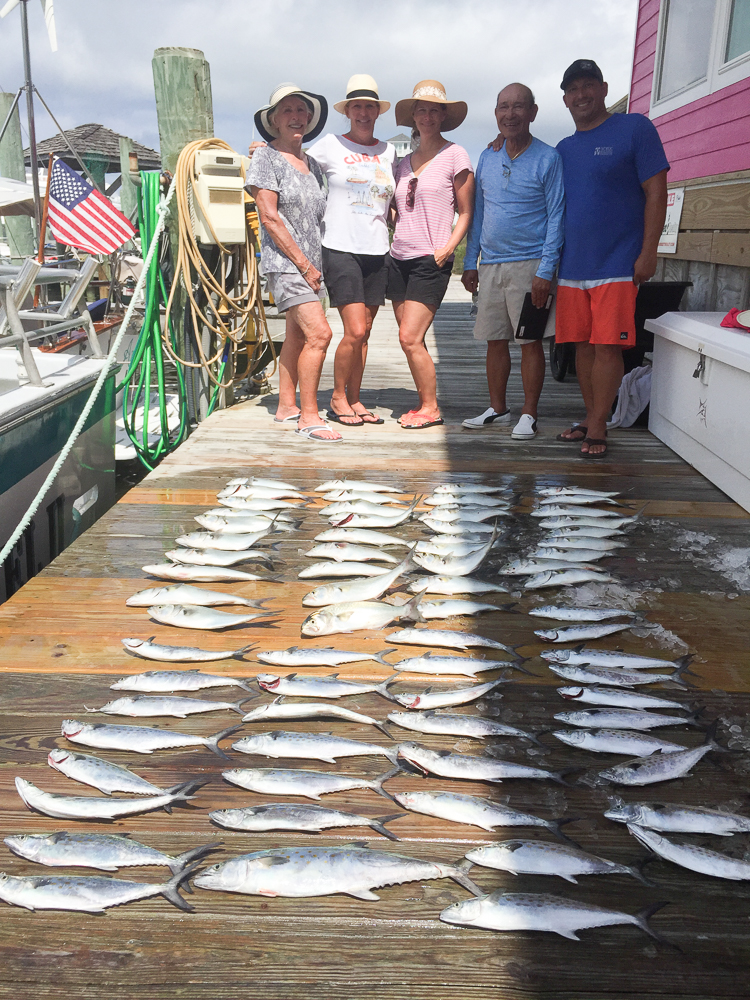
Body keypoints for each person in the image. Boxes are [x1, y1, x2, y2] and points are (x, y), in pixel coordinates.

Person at [555, 59, 668, 458]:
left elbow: (657, 192)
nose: (581, 95)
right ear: (565, 99)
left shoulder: (634, 128)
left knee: (608, 347)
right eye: (573, 89)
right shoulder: (563, 149)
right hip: (570, 268)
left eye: (588, 86)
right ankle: (590, 415)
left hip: (617, 264)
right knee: (581, 347)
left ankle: (599, 425)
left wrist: (648, 251)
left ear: (603, 89)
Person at [461, 83, 564, 440]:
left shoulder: (548, 158)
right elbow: (480, 212)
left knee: (530, 341)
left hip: (530, 264)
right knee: (495, 339)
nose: (511, 114)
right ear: (495, 113)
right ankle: (498, 408)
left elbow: (556, 217)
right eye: (503, 107)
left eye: (519, 107)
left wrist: (545, 271)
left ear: (533, 112)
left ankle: (529, 413)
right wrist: (470, 261)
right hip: (490, 265)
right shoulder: (488, 156)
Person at [246, 83, 341, 442]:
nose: (296, 116)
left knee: (298, 335)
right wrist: (304, 265)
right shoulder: (265, 158)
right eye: (287, 110)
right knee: (321, 333)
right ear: (273, 120)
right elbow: (269, 217)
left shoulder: (312, 164)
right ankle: (310, 416)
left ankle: (287, 406)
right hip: (286, 263)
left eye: (302, 110)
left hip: (310, 263)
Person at [306, 74, 396, 426]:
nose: (363, 112)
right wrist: (265, 151)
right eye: (356, 106)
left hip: (377, 248)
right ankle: (337, 397)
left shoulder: (387, 151)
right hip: (340, 246)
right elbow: (295, 163)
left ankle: (355, 399)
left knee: (367, 330)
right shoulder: (329, 145)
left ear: (377, 111)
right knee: (355, 329)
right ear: (348, 111)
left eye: (369, 106)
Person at [388, 80, 474, 429]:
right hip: (398, 258)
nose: (427, 115)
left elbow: (466, 211)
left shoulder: (456, 155)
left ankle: (430, 407)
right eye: (421, 109)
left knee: (409, 337)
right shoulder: (402, 162)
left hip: (431, 260)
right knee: (412, 340)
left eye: (434, 110)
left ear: (443, 116)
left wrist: (448, 249)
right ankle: (424, 401)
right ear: (413, 116)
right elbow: (394, 207)